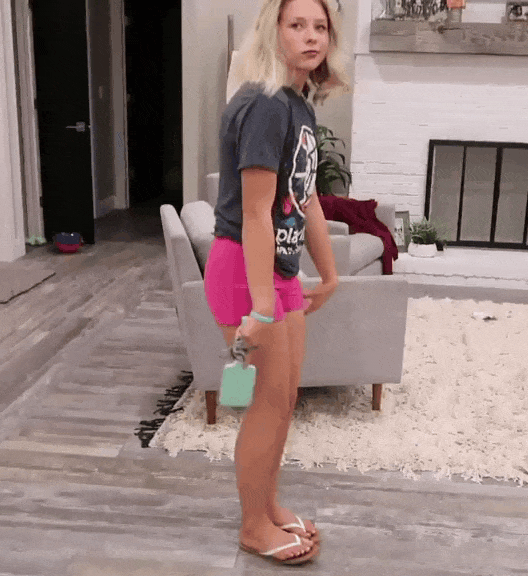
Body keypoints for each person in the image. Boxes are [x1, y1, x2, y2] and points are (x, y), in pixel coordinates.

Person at [203, 0, 348, 566]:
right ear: (274, 31)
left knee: (284, 399)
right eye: (297, 25)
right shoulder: (264, 103)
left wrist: (328, 275)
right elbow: (255, 212)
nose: (312, 37)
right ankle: (251, 527)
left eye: (320, 27)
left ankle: (267, 506)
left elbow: (306, 199)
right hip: (245, 271)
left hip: (278, 271)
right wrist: (262, 305)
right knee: (265, 402)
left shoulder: (297, 106)